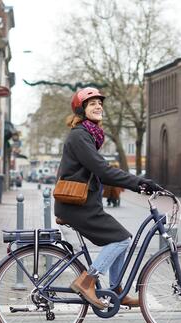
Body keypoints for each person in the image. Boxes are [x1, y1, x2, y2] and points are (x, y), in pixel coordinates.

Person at [54, 87, 161, 309]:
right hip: (76, 206)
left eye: (100, 103)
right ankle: (87, 281)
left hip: (83, 205)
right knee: (121, 239)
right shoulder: (80, 136)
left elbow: (102, 171)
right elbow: (103, 170)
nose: (98, 106)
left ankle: (115, 291)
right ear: (82, 110)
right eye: (92, 103)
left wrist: (137, 183)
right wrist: (138, 183)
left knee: (121, 237)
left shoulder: (89, 136)